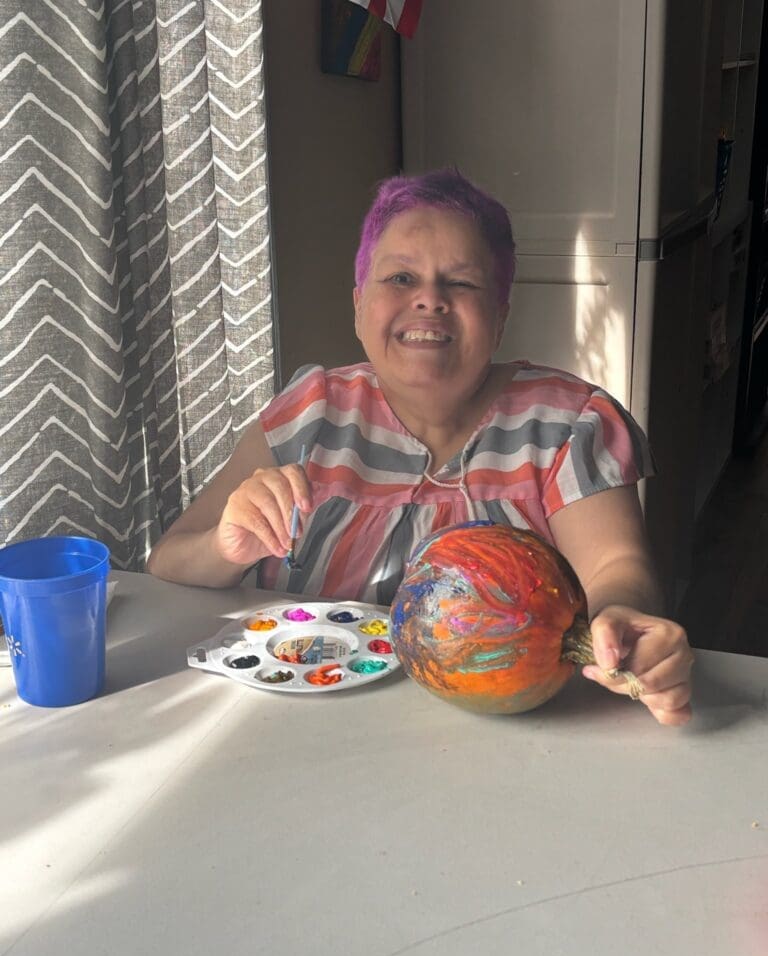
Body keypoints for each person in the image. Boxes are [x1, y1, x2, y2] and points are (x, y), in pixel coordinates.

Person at [148, 168, 693, 726]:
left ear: (500, 316)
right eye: (401, 278)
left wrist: (620, 621)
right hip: (291, 728)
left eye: (462, 283)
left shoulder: (569, 423)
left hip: (509, 738)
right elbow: (167, 560)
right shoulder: (309, 415)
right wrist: (226, 547)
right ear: (359, 306)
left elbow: (616, 566)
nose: (430, 300)